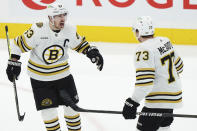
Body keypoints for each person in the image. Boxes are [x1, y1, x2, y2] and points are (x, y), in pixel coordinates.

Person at [6, 3, 103, 131]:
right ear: (50, 18)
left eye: (64, 15)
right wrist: (14, 61)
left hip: (63, 77)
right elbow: (17, 44)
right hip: (40, 79)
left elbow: (80, 44)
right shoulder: (38, 30)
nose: (62, 18)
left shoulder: (69, 29)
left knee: (72, 111)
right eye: (58, 16)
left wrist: (91, 52)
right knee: (49, 114)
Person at [122, 16, 184, 131]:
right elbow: (180, 67)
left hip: (158, 102)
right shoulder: (165, 40)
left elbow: (145, 83)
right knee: (163, 128)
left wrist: (133, 102)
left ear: (138, 31)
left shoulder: (143, 49)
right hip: (174, 98)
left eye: (135, 31)